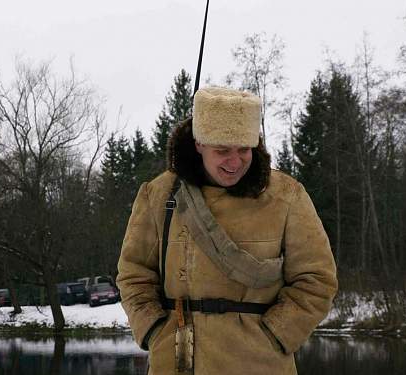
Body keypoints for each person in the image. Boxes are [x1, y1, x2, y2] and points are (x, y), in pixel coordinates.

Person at [116, 87, 338, 375]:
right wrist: (154, 330)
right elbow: (134, 275)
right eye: (222, 150)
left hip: (259, 364)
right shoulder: (159, 195)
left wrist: (274, 335)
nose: (234, 163)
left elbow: (317, 280)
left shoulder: (287, 196)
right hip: (176, 361)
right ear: (199, 144)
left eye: (244, 149)